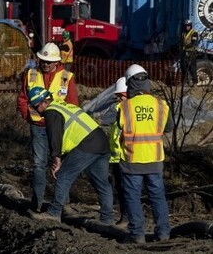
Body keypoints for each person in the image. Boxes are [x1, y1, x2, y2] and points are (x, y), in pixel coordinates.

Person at [27, 87, 113, 223]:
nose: (36, 110)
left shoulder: (51, 112)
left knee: (63, 176)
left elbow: (55, 138)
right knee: (102, 183)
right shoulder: (63, 105)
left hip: (87, 144)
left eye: (35, 106)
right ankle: (107, 219)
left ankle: (54, 213)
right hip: (101, 142)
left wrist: (57, 161)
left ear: (43, 102)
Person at [16, 42, 78, 213]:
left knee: (60, 166)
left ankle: (63, 204)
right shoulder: (31, 74)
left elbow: (73, 104)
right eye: (42, 60)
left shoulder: (67, 77)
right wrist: (27, 115)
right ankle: (36, 203)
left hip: (59, 129)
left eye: (48, 61)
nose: (45, 64)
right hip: (38, 126)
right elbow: (22, 98)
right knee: (38, 165)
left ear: (57, 62)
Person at [116, 64, 172, 243]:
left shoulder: (125, 107)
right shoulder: (161, 105)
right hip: (154, 160)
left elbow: (119, 126)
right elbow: (169, 128)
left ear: (130, 84)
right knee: (157, 196)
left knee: (132, 197)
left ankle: (137, 235)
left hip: (132, 161)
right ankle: (163, 233)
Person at [108, 77, 129, 226]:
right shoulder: (119, 110)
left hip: (126, 158)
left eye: (121, 95)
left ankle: (128, 218)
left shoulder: (129, 112)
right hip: (117, 157)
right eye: (118, 96)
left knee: (127, 190)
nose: (119, 98)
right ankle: (125, 216)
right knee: (120, 189)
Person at [181, 18, 199, 85]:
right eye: (186, 25)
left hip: (191, 53)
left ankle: (195, 83)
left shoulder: (194, 33)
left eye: (188, 25)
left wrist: (185, 47)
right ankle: (185, 82)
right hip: (184, 52)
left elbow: (193, 43)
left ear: (190, 25)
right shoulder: (183, 33)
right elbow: (181, 42)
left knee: (192, 68)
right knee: (184, 67)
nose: (187, 27)